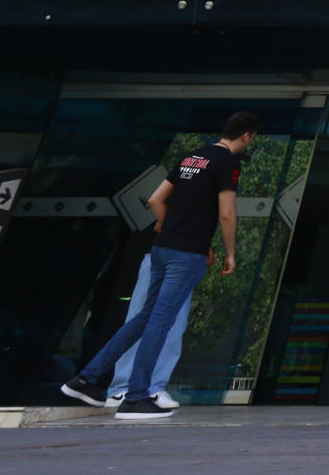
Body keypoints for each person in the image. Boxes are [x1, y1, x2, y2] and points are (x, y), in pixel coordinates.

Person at [60, 111, 259, 422]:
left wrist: (172, 231)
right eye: (252, 138)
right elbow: (227, 213)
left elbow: (155, 200)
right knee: (159, 324)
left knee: (144, 319)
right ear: (247, 136)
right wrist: (230, 253)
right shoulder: (228, 163)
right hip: (186, 256)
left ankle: (85, 379)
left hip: (162, 250)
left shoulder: (190, 157)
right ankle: (136, 398)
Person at [101, 227, 192, 410]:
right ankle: (128, 387)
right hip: (170, 255)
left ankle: (142, 387)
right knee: (151, 322)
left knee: (168, 325)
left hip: (178, 255)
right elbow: (158, 212)